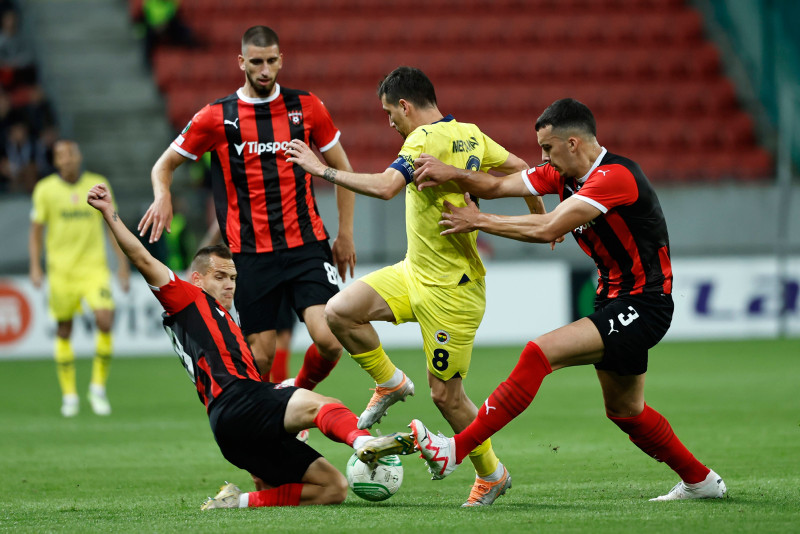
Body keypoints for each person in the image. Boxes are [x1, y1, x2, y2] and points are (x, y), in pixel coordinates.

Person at [394, 98, 726, 502]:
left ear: (573, 143)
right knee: (626, 411)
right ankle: (701, 481)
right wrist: (453, 173)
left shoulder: (614, 177)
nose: (542, 158)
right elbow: (500, 185)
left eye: (548, 149)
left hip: (645, 303)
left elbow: (550, 226)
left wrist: (478, 220)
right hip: (613, 300)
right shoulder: (564, 175)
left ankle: (455, 450)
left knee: (539, 353)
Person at [286, 66, 547, 506]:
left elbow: (387, 188)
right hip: (413, 272)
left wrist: (319, 169)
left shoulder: (421, 141)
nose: (390, 122)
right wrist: (539, 215)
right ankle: (389, 381)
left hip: (452, 291)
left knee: (447, 396)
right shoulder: (471, 134)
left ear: (405, 106)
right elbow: (523, 169)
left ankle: (492, 474)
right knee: (339, 311)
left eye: (390, 113)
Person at [87, 182, 411, 509]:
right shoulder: (186, 298)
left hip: (232, 427)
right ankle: (365, 442)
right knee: (325, 405)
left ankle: (235, 501)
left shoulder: (223, 320)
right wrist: (108, 213)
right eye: (220, 276)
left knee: (333, 488)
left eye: (233, 278)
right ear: (196, 278)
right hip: (239, 399)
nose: (229, 285)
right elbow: (141, 257)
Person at [138, 25, 357, 392]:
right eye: (257, 62)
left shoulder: (307, 107)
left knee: (331, 339)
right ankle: (270, 420)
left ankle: (296, 394)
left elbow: (343, 170)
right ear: (241, 62)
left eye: (272, 61)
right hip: (251, 253)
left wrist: (346, 233)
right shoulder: (216, 117)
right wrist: (163, 195)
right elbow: (163, 165)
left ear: (281, 59)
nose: (265, 70)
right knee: (261, 356)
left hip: (306, 243)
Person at [29, 139, 130, 417]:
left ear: (79, 155)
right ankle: (70, 395)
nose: (68, 158)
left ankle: (97, 389)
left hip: (93, 269)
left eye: (72, 153)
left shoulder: (97, 184)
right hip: (61, 272)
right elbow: (36, 232)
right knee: (64, 329)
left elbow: (112, 225)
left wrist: (122, 265)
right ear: (56, 160)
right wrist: (35, 267)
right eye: (62, 155)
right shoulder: (45, 189)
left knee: (105, 320)